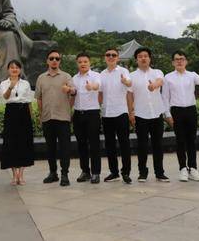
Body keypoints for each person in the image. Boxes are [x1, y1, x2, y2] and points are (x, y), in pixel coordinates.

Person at [162, 50, 199, 182]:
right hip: (176, 111)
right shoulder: (168, 77)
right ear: (173, 62)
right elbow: (165, 97)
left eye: (182, 59)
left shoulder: (192, 75)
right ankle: (183, 168)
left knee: (191, 140)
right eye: (176, 59)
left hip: (191, 110)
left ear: (186, 61)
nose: (179, 61)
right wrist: (167, 114)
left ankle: (193, 168)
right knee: (180, 141)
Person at [127, 47, 170, 182]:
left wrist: (154, 86)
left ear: (150, 58)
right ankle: (142, 172)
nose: (143, 58)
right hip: (140, 114)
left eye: (146, 56)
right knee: (142, 145)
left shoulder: (157, 72)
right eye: (140, 56)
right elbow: (129, 95)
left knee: (158, 144)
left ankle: (159, 172)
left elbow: (160, 81)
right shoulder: (131, 76)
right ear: (136, 60)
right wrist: (131, 112)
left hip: (157, 113)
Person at [35, 50, 75, 186]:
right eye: (51, 58)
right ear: (47, 61)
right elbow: (39, 98)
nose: (54, 60)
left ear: (60, 61)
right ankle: (53, 173)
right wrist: (41, 115)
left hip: (63, 117)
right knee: (50, 148)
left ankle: (65, 174)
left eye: (57, 58)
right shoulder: (41, 78)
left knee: (65, 148)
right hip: (47, 118)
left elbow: (74, 91)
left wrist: (69, 90)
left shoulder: (66, 76)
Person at [99, 47, 133, 184]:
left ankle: (126, 172)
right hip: (107, 113)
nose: (111, 57)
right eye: (108, 55)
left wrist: (126, 82)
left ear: (118, 58)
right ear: (105, 57)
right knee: (110, 144)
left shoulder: (123, 71)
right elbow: (100, 93)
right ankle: (114, 172)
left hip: (121, 112)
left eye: (114, 55)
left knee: (124, 144)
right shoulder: (101, 73)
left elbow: (130, 84)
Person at [0, 60, 34, 185]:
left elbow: (29, 101)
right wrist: (11, 86)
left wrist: (31, 117)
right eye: (12, 67)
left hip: (24, 112)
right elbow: (5, 97)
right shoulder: (4, 83)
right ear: (8, 70)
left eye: (16, 68)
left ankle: (21, 174)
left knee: (24, 142)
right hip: (11, 112)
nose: (14, 69)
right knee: (11, 142)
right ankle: (14, 175)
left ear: (20, 70)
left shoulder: (25, 83)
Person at [71, 53, 102, 184]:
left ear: (89, 63)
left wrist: (92, 87)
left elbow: (98, 86)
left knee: (94, 144)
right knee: (81, 144)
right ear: (77, 63)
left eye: (85, 61)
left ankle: (96, 173)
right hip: (78, 114)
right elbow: (73, 94)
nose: (83, 64)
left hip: (92, 114)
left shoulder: (96, 76)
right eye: (80, 62)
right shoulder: (74, 78)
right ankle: (85, 171)